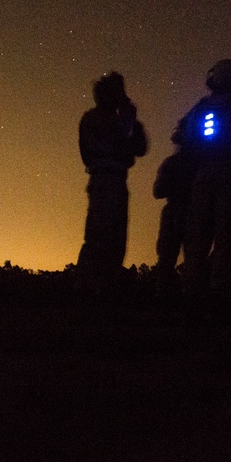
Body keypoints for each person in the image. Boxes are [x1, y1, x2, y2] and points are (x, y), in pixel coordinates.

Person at [176, 59, 231, 311]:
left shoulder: (201, 107)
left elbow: (184, 137)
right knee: (226, 239)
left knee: (197, 238)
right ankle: (219, 295)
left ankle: (192, 294)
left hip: (203, 177)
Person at [76, 71, 148, 300]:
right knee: (103, 238)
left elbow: (137, 147)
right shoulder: (100, 119)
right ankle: (88, 290)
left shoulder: (92, 120)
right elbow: (131, 145)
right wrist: (128, 113)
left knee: (110, 239)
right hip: (108, 179)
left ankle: (100, 290)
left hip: (107, 179)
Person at [151, 133, 197, 301]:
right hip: (188, 212)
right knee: (189, 257)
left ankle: (165, 296)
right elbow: (158, 191)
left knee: (168, 257)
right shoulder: (197, 164)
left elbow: (157, 191)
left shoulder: (171, 163)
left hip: (181, 211)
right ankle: (188, 297)